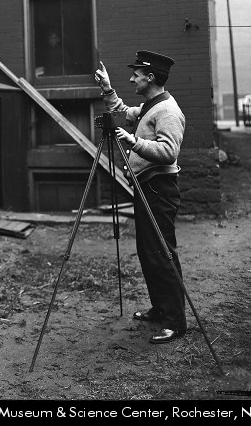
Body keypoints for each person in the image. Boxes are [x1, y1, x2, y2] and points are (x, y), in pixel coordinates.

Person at [94, 50, 186, 344]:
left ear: (151, 77)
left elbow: (169, 152)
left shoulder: (168, 111)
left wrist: (134, 141)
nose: (132, 79)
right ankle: (161, 309)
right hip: (147, 187)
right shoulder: (151, 105)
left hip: (159, 189)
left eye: (136, 74)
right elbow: (122, 112)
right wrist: (107, 89)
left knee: (161, 252)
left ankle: (175, 322)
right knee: (149, 252)